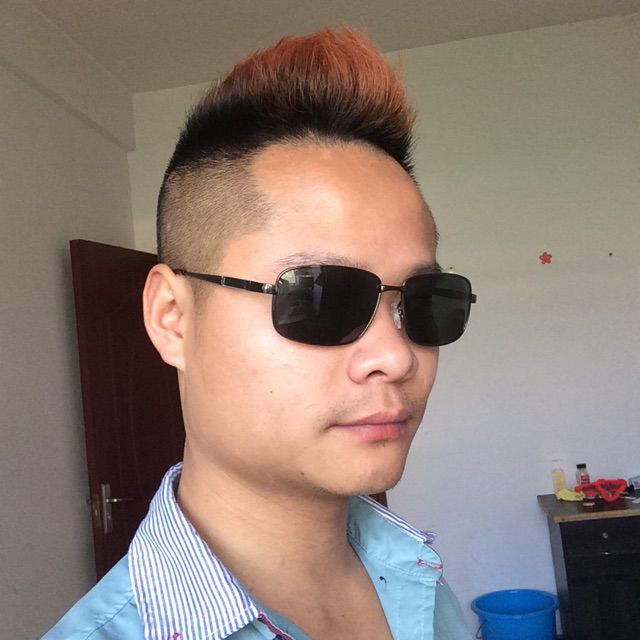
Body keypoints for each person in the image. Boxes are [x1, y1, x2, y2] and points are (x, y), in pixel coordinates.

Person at [44, 27, 476, 640]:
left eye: (426, 302)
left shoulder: (416, 576)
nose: (396, 355)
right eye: (320, 299)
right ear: (172, 317)